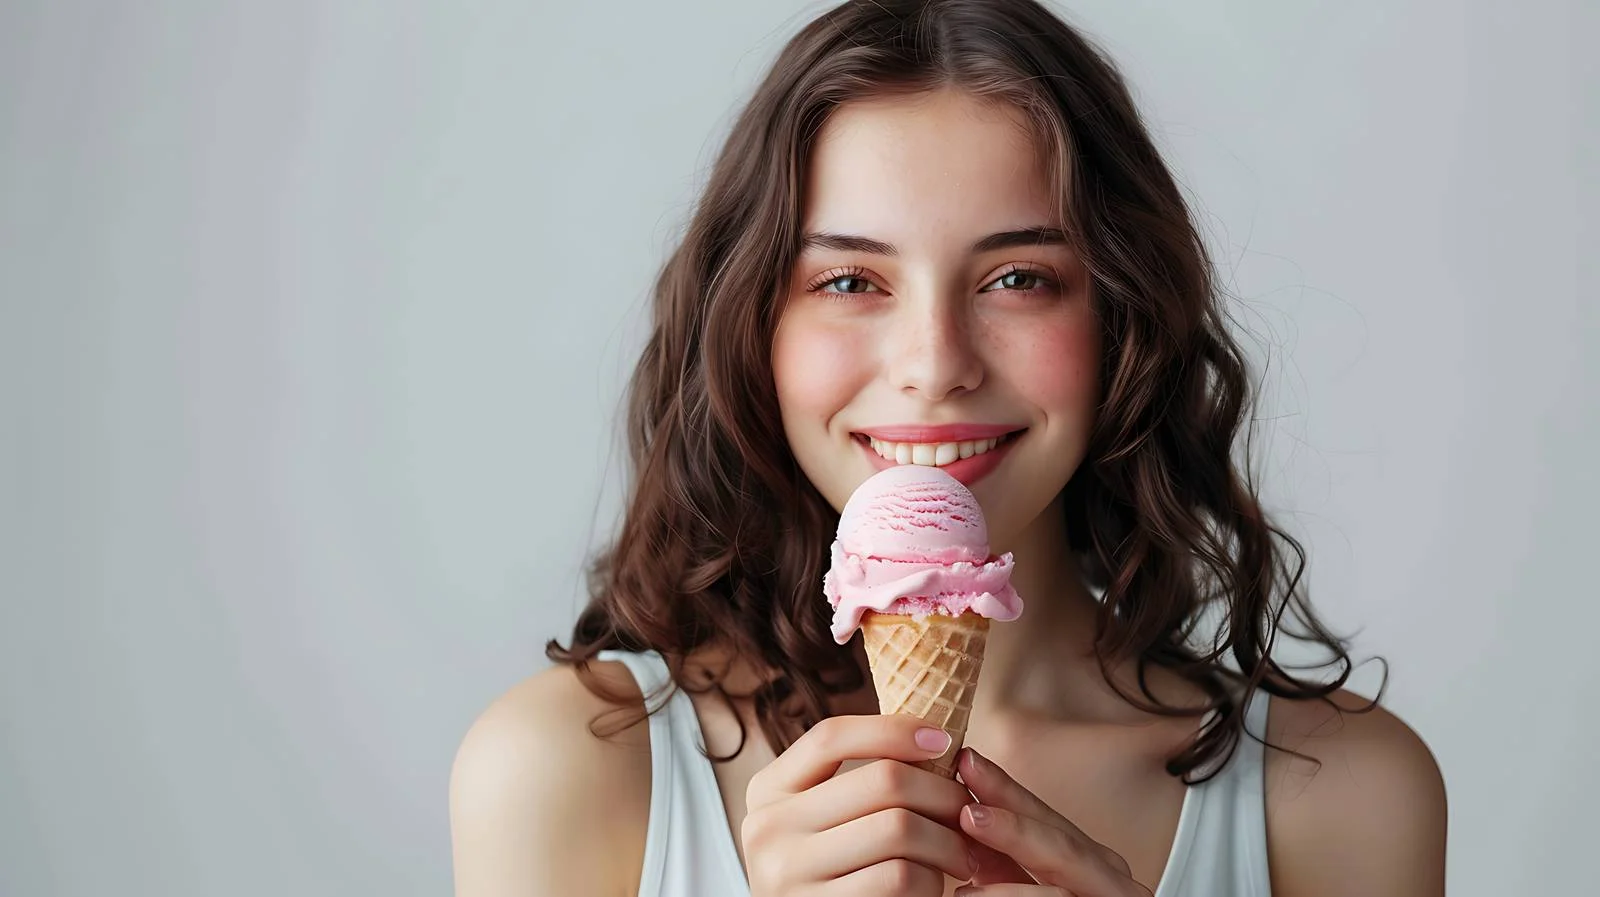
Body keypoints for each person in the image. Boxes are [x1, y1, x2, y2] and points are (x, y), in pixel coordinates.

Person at [449, 1, 1448, 894]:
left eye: (1017, 278)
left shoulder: (1340, 792)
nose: (934, 365)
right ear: (750, 325)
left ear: (1122, 321)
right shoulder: (564, 767)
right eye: (848, 281)